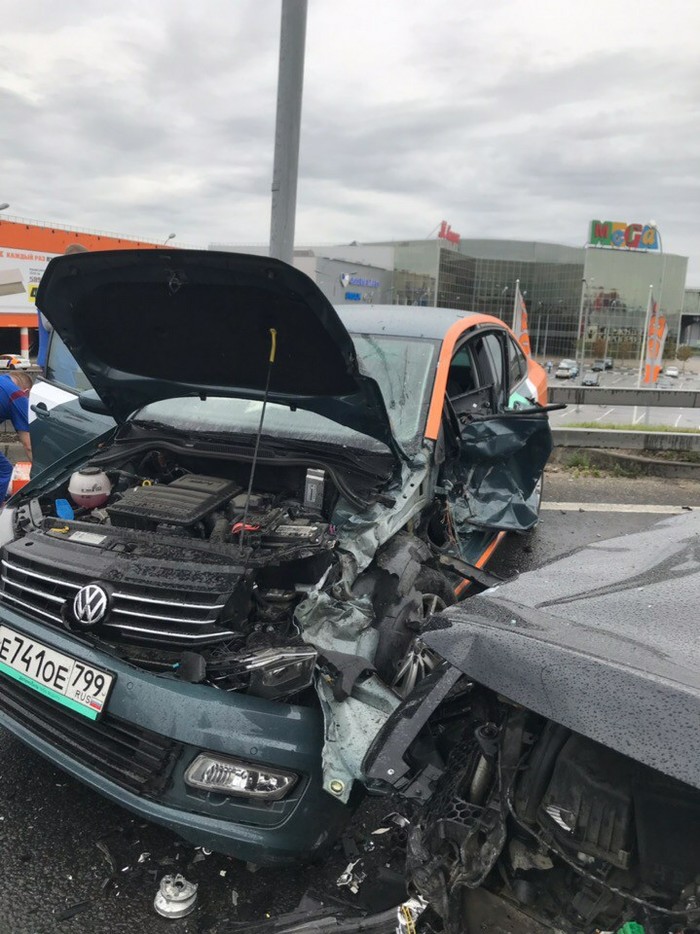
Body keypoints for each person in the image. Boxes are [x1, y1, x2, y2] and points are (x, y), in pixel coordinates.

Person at [37, 243, 88, 370]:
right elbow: (50, 323)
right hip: (55, 363)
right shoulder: (54, 287)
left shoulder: (76, 288)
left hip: (72, 361)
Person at [0, 371, 32, 501]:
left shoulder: (2, 382)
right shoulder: (17, 394)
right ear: (26, 392)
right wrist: (42, 475)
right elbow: (28, 445)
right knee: (3, 470)